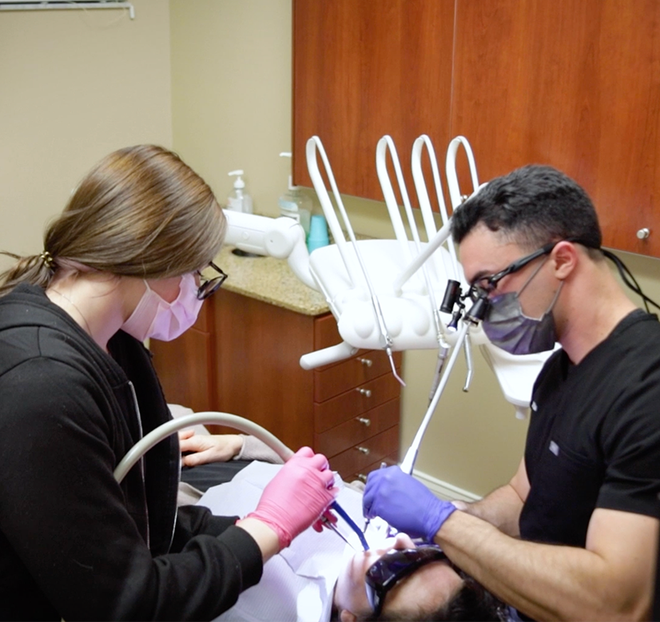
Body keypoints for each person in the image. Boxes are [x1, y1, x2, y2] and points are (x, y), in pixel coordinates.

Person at [0, 144, 337, 622]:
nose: (198, 289)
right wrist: (269, 529)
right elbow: (129, 604)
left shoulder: (115, 344)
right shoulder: (40, 390)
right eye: (196, 272)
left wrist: (261, 524)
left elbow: (144, 524)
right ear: (150, 261)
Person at [363, 165, 660, 622]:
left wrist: (445, 523)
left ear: (561, 260)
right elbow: (524, 498)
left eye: (489, 284)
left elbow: (617, 604)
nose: (483, 308)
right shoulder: (560, 370)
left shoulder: (646, 389)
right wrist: (448, 521)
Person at [196, 460, 505, 622]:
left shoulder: (261, 611)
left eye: (392, 571)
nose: (398, 542)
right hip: (235, 458)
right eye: (425, 554)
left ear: (352, 619)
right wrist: (241, 445)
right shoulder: (377, 534)